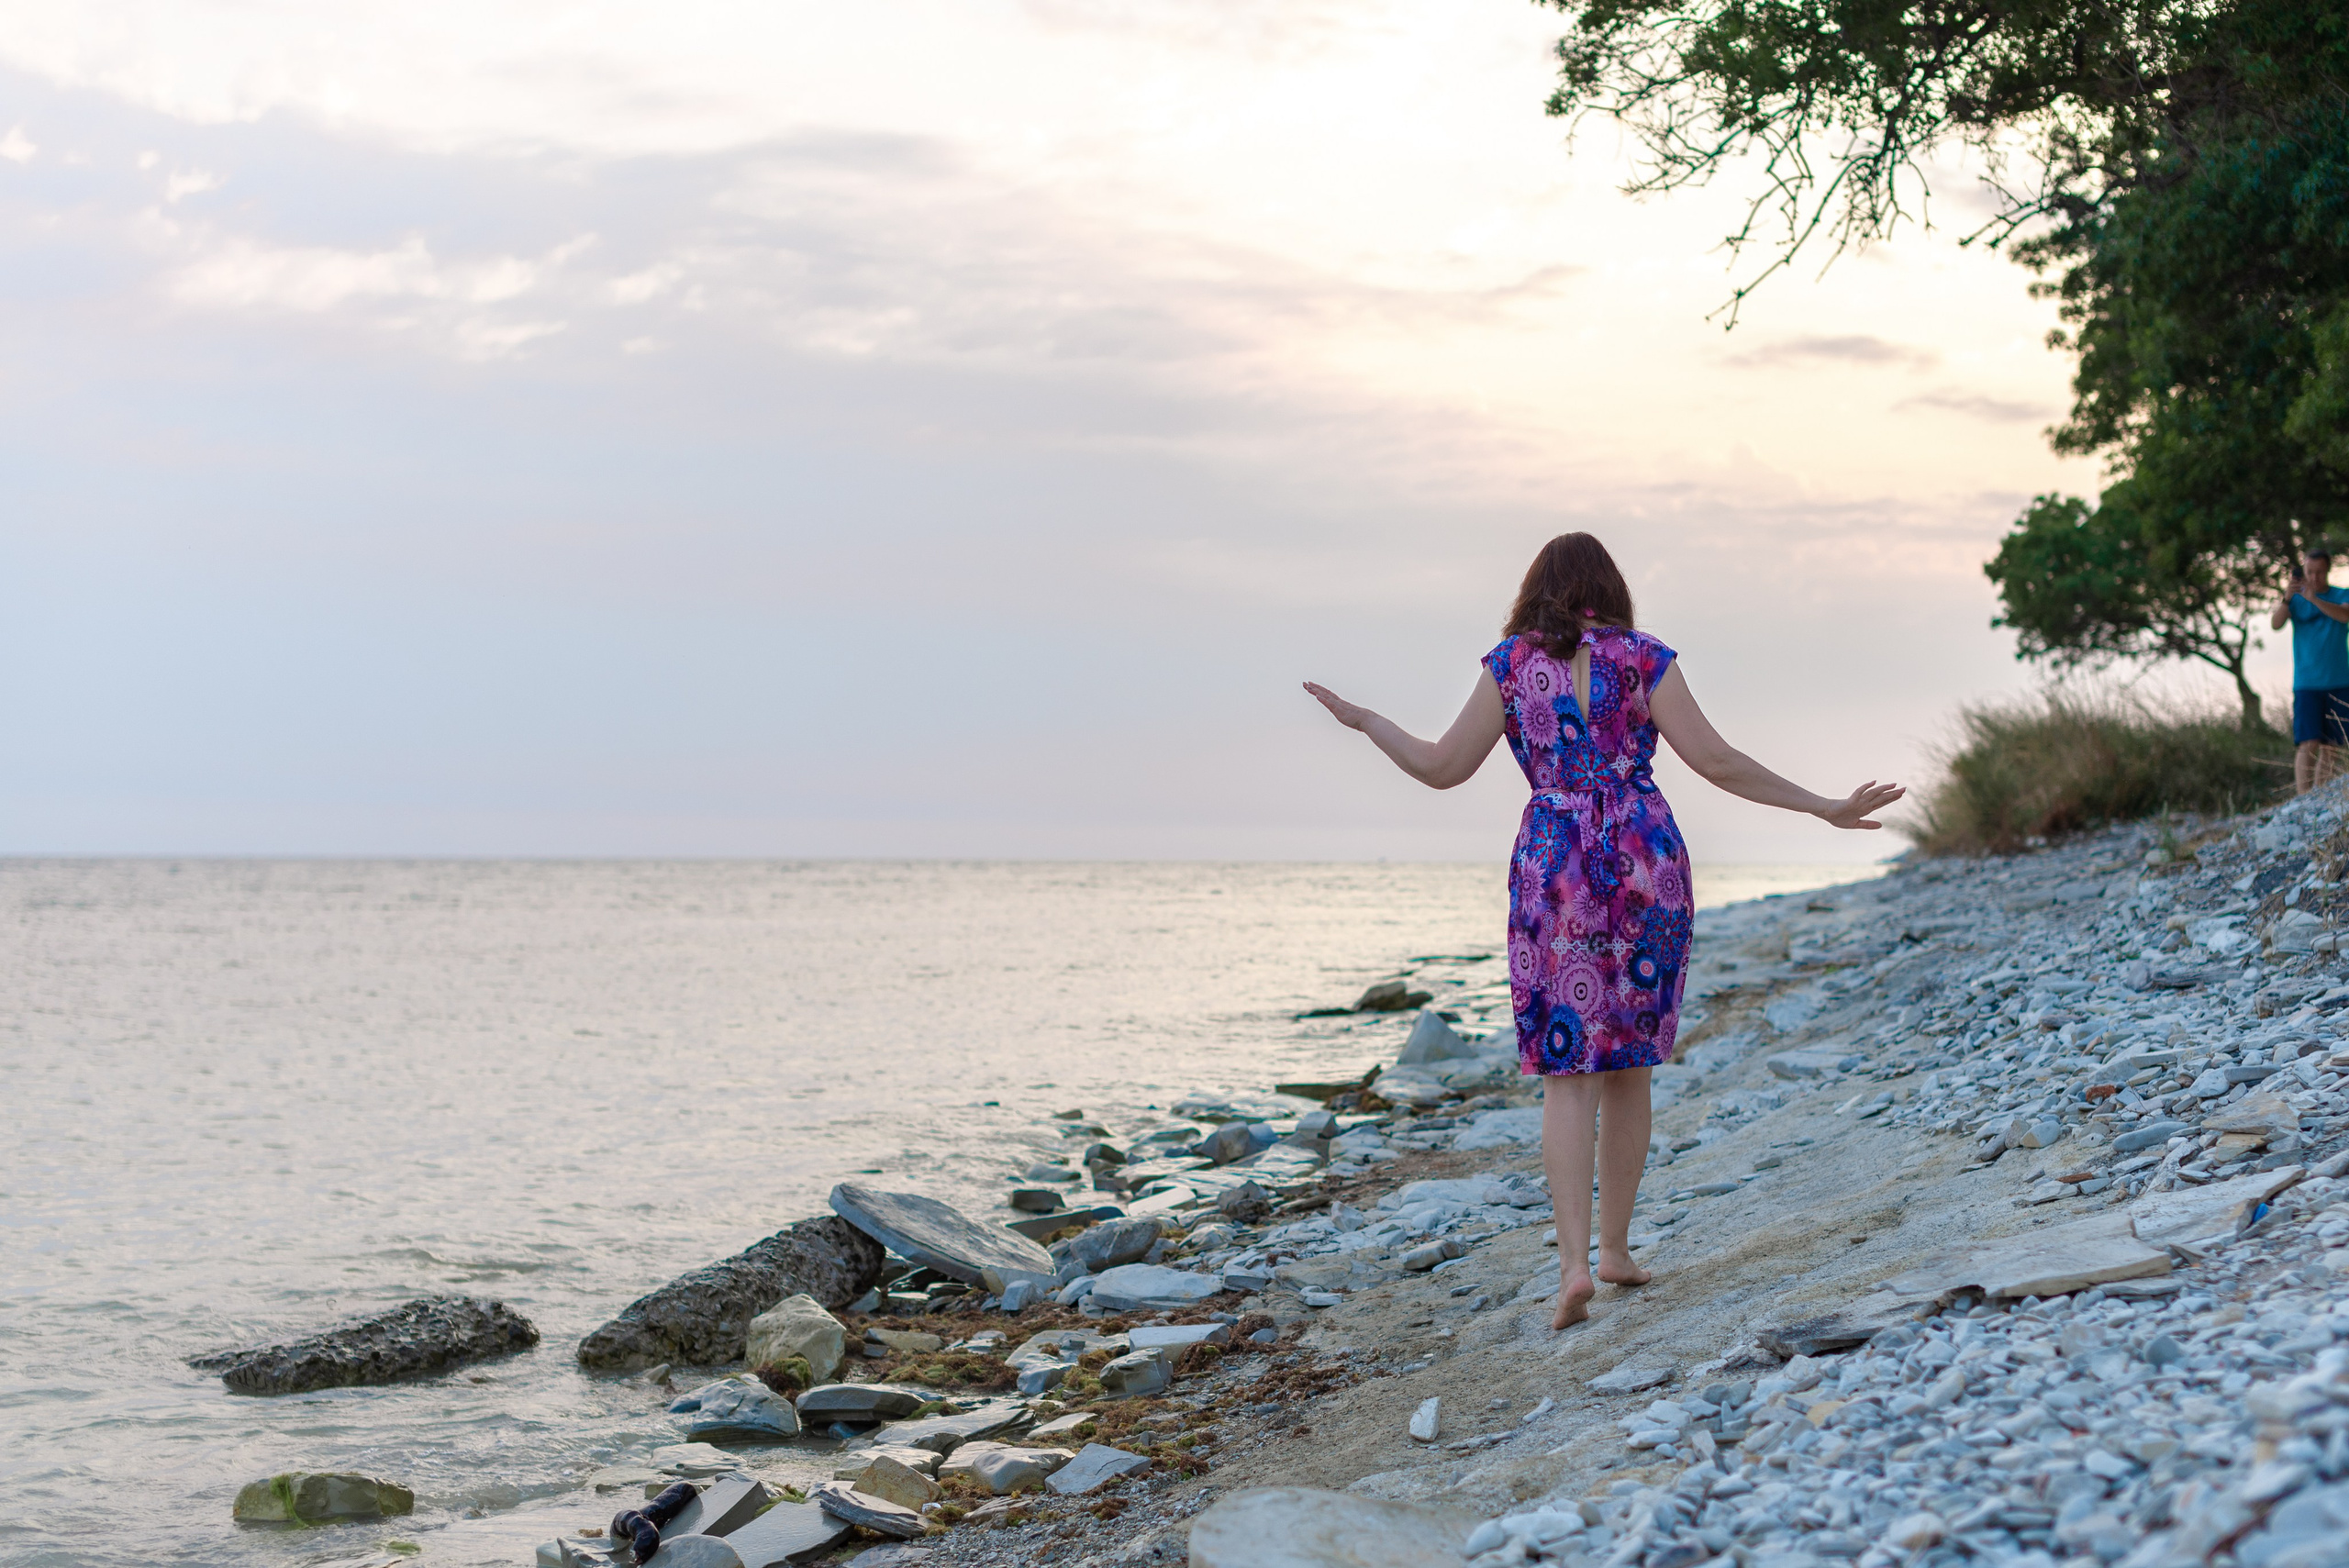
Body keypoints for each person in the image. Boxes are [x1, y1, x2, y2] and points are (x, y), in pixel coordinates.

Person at [1303, 534, 1902, 1329]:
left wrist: (1367, 720)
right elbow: (1717, 763)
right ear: (1610, 589)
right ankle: (1617, 1247)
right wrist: (1824, 805)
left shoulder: (1510, 664)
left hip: (1554, 868)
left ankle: (1575, 1265)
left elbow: (1443, 766)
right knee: (1631, 1064)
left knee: (1567, 1071)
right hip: (1643, 858)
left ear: (1535, 593)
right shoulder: (1643, 657)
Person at [2269, 545, 2349, 795]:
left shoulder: (2341, 595)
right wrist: (2287, 597)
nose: (2314, 577)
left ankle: (2321, 794)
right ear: (2303, 571)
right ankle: (2303, 798)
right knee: (2309, 743)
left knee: (2332, 745)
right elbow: (2275, 624)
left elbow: (2344, 616)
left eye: (2320, 572)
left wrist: (2315, 598)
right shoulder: (2295, 602)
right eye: (2310, 572)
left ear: (2327, 571)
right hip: (2306, 683)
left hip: (2339, 681)